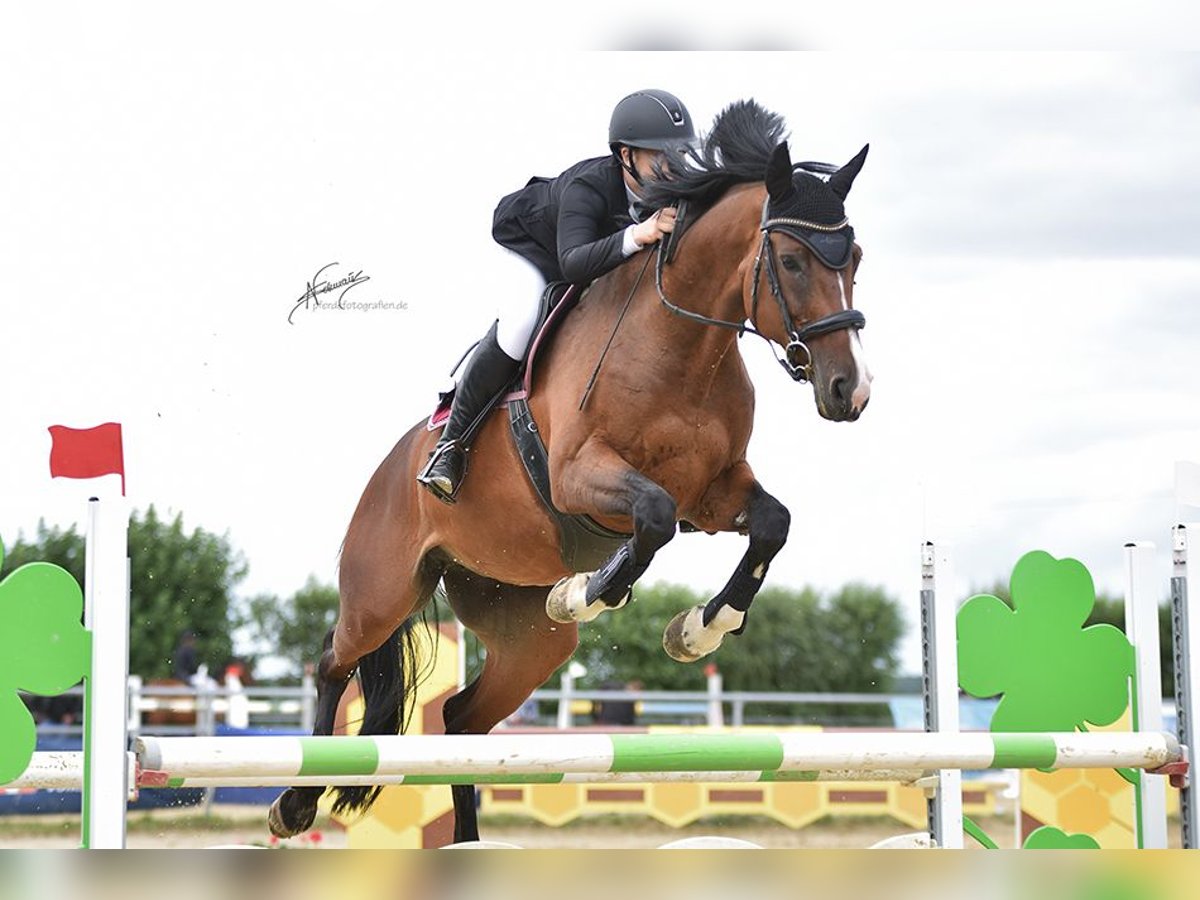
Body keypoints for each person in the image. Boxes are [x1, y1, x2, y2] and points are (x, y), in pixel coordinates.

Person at [417, 89, 696, 503]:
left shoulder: (675, 188)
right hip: (537, 250)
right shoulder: (590, 186)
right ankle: (450, 447)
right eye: (660, 155)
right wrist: (638, 233)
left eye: (680, 153)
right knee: (521, 324)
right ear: (625, 156)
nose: (673, 167)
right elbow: (573, 264)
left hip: (591, 256)